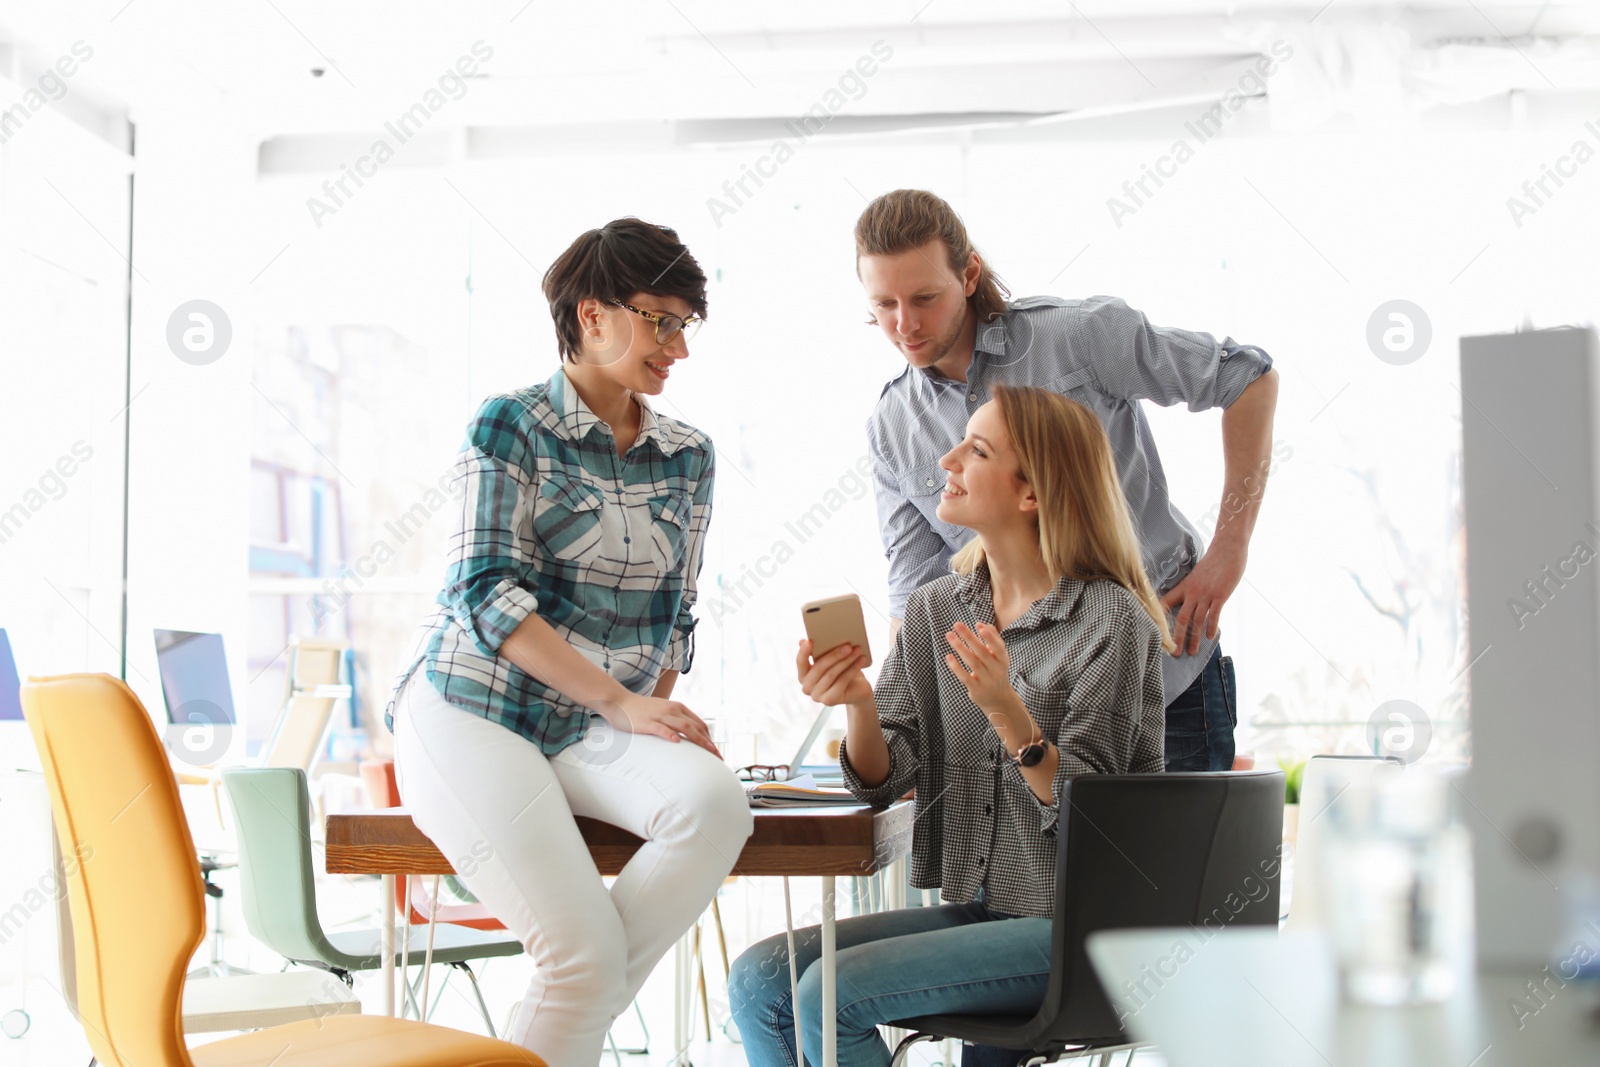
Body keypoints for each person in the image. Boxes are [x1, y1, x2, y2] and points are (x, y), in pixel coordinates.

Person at [385, 218, 753, 1066]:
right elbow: (484, 593)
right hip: (476, 707)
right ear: (593, 316)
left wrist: (647, 709)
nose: (678, 348)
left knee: (714, 804)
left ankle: (559, 1012)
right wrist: (622, 702)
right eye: (662, 320)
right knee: (578, 960)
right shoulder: (510, 424)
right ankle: (571, 997)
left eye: (685, 325)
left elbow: (677, 607)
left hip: (594, 721)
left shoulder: (687, 455)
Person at [727, 384, 1172, 1067]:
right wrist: (858, 704)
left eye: (978, 449)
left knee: (829, 992)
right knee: (762, 981)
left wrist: (1007, 711)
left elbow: (1095, 813)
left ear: (1031, 494)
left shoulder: (1110, 620)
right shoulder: (939, 607)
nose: (947, 457)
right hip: (987, 909)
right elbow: (885, 778)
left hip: (1087, 930)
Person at [856, 188, 1279, 774]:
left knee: (1170, 867)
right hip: (1028, 714)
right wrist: (896, 735)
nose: (905, 324)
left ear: (970, 274)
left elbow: (1247, 379)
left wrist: (1229, 551)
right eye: (883, 305)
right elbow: (917, 598)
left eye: (925, 297)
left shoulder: (1079, 337)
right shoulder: (893, 427)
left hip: (1169, 679)